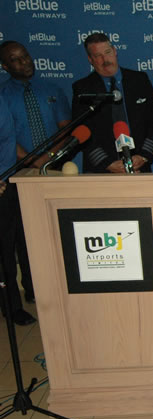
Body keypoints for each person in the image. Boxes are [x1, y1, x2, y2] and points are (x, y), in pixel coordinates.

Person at [0, 40, 71, 304]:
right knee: (22, 235)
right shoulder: (3, 96)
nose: (24, 62)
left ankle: (59, 287)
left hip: (56, 168)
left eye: (26, 56)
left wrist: (49, 157)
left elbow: (66, 126)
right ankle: (29, 291)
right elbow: (5, 137)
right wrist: (31, 160)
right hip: (18, 173)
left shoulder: (50, 89)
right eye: (16, 59)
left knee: (56, 232)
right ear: (5, 66)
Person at [72, 32, 153, 174]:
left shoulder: (139, 80)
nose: (105, 59)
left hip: (140, 167)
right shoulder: (82, 88)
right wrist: (107, 163)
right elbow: (82, 130)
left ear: (115, 51)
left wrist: (143, 156)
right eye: (97, 56)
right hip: (102, 171)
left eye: (107, 52)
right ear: (90, 59)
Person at [0, 94, 36, 326]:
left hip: (10, 179)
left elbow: (8, 140)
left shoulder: (3, 98)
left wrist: (36, 160)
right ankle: (11, 306)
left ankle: (30, 292)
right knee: (4, 254)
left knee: (19, 241)